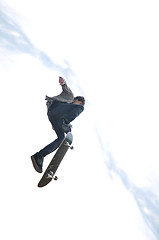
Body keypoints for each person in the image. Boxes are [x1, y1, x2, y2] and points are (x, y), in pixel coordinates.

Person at [31, 76, 85, 173]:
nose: (74, 104)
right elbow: (66, 89)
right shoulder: (71, 98)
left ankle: (39, 156)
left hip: (54, 117)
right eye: (77, 103)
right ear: (79, 101)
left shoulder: (70, 108)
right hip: (57, 110)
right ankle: (65, 123)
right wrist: (63, 83)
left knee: (61, 139)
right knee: (78, 111)